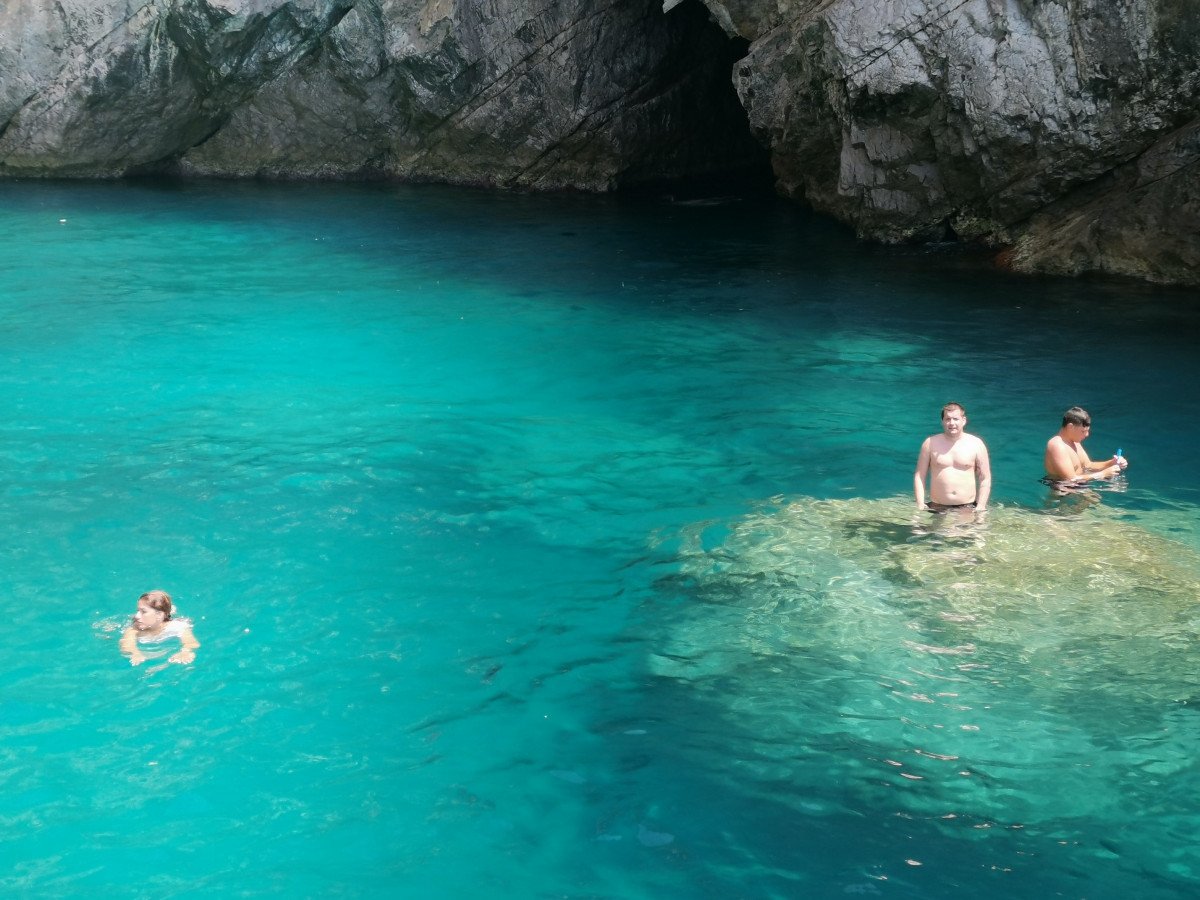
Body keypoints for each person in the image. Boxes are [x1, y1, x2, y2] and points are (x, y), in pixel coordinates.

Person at [914, 402, 992, 512]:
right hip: (937, 506)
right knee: (927, 529)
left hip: (967, 507)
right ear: (942, 421)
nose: (952, 423)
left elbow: (985, 477)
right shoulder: (930, 443)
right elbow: (919, 475)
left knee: (968, 529)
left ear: (964, 420)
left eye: (956, 419)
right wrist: (920, 504)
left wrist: (981, 506)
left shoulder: (976, 444)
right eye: (947, 419)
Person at [1044, 407, 1127, 486]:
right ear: (1070, 427)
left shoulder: (1075, 442)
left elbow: (1088, 465)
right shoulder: (1057, 445)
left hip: (1079, 487)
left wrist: (1112, 462)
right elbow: (1070, 479)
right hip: (1063, 493)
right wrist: (1102, 474)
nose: (1087, 435)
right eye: (1083, 431)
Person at [119, 590, 199, 666]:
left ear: (159, 615)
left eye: (143, 612)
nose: (137, 616)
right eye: (137, 611)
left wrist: (185, 652)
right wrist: (135, 653)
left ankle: (170, 610)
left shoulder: (177, 626)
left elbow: (192, 643)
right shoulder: (134, 630)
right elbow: (126, 645)